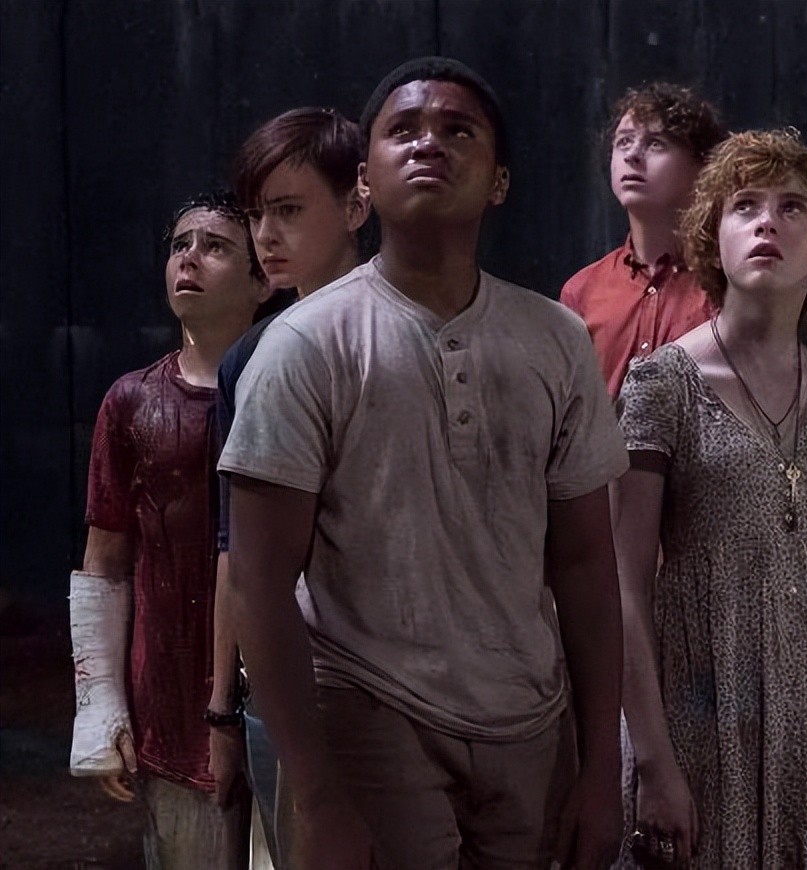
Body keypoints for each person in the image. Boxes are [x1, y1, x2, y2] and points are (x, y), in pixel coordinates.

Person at [219, 57, 627, 870]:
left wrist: (600, 769)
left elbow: (585, 562)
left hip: (529, 723)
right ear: (364, 181)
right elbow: (258, 582)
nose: (429, 143)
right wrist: (316, 794)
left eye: (458, 130)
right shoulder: (303, 345)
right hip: (372, 711)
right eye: (402, 129)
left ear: (500, 181)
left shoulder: (555, 339)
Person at [612, 129, 807, 869]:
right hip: (699, 704)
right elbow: (622, 583)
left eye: (792, 207)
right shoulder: (663, 384)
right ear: (712, 239)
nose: (767, 222)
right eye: (745, 206)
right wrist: (653, 760)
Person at [70, 192, 270, 868]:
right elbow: (103, 562)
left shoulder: (293, 386)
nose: (189, 259)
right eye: (180, 245)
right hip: (170, 711)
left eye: (215, 247)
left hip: (281, 703)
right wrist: (100, 710)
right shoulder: (132, 401)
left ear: (261, 279)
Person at [207, 107, 369, 866]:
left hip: (417, 677)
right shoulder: (251, 359)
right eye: (256, 215)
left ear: (357, 204)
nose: (265, 235)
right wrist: (223, 706)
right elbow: (236, 553)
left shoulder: (406, 329)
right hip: (295, 677)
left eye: (289, 211)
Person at [560, 83, 727, 397]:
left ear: (703, 168)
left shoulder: (728, 283)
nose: (632, 155)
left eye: (656, 143)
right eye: (623, 141)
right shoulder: (582, 290)